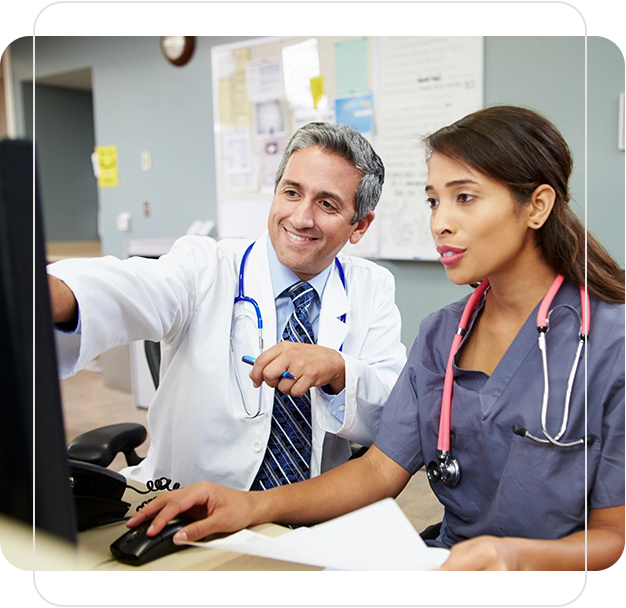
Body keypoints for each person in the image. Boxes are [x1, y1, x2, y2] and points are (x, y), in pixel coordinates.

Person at [128, 106, 625, 571]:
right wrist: (250, 506)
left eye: (464, 197)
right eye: (434, 201)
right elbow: (379, 472)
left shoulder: (609, 343)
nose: (440, 222)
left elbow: (614, 538)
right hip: (446, 567)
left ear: (536, 206)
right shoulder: (442, 335)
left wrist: (511, 558)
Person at [48, 122, 407, 490]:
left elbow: (391, 412)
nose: (301, 218)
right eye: (291, 193)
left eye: (327, 204)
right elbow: (131, 288)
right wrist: (55, 293)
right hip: (190, 504)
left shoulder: (372, 287)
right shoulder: (206, 264)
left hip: (307, 515)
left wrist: (338, 371)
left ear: (359, 225)